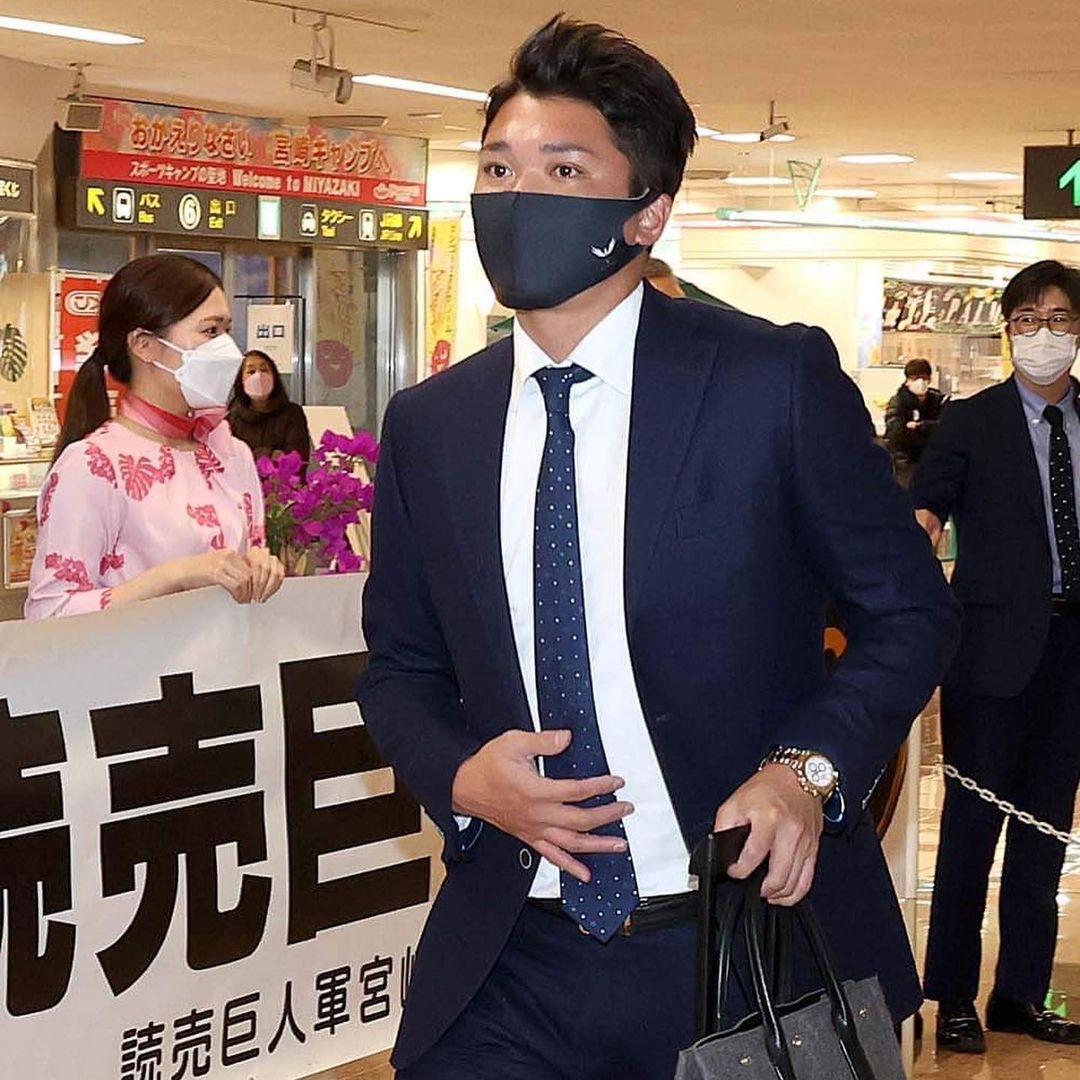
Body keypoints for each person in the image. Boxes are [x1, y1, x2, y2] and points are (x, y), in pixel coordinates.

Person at [356, 17, 959, 1079]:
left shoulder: (768, 383)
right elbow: (399, 667)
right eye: (497, 167)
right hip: (511, 957)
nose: (517, 195)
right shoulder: (431, 424)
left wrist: (805, 772)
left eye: (562, 169)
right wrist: (461, 774)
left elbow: (909, 613)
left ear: (646, 212)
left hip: (741, 949)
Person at [915, 259, 1080, 1052]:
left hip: (1073, 653)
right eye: (1028, 320)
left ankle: (1020, 992)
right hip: (990, 654)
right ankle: (951, 995)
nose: (1044, 334)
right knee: (971, 831)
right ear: (1009, 330)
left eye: (1060, 318)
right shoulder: (971, 422)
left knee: (1045, 830)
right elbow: (924, 511)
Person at [26, 254, 284, 619]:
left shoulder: (231, 453)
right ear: (143, 344)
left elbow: (249, 554)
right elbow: (50, 612)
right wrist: (175, 575)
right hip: (135, 657)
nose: (228, 350)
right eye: (210, 331)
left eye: (227, 330)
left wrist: (260, 569)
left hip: (227, 654)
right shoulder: (93, 465)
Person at [227, 349, 312, 466]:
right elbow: (228, 459)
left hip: (280, 478)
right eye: (251, 371)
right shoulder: (230, 416)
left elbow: (296, 461)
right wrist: (269, 454)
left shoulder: (292, 413)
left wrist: (251, 455)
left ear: (274, 376)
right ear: (240, 380)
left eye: (264, 370)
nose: (258, 376)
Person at [885, 358, 947, 486]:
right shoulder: (898, 402)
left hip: (931, 462)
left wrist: (920, 426)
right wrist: (926, 433)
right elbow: (896, 432)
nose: (920, 382)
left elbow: (945, 428)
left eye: (924, 378)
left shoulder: (937, 401)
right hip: (905, 463)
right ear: (907, 380)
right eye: (915, 378)